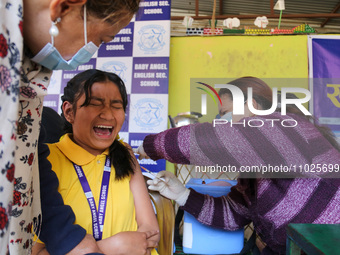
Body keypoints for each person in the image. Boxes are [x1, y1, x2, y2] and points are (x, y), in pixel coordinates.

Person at [134, 77, 340, 254]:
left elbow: (211, 140)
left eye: (226, 113)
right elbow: (234, 214)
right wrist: (182, 195)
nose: (222, 122)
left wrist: (150, 146)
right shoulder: (255, 170)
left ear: (251, 105)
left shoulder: (286, 129)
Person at [0, 0, 139, 254]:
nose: (107, 114)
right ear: (62, 7)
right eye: (101, 39)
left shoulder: (28, 76)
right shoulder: (56, 155)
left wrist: (77, 243)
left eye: (117, 105)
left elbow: (27, 157)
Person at [32, 69, 160, 255]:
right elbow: (35, 251)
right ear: (69, 112)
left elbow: (151, 231)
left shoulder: (125, 154)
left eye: (116, 106)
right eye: (94, 104)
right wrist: (111, 247)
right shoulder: (46, 162)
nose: (108, 115)